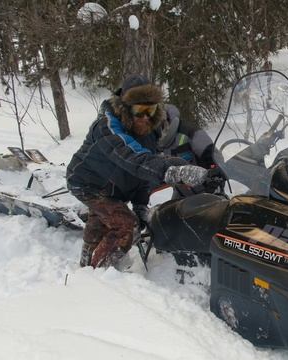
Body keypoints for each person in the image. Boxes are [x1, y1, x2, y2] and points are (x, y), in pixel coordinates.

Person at [66, 75, 213, 268]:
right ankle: (96, 274)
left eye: (150, 109)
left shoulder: (150, 132)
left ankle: (85, 263)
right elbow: (133, 158)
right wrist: (174, 171)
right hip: (88, 184)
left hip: (115, 187)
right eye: (139, 110)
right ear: (125, 109)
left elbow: (143, 171)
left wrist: (140, 204)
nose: (146, 117)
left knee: (101, 220)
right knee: (127, 226)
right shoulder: (106, 126)